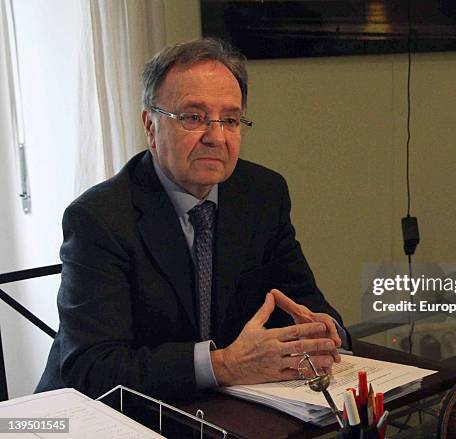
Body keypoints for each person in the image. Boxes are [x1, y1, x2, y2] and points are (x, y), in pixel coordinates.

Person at [36, 37, 349, 399]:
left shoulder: (263, 194)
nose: (215, 137)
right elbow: (92, 367)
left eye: (230, 120)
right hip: (106, 416)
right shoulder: (99, 218)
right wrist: (223, 364)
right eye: (194, 117)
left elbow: (301, 300)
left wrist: (326, 330)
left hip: (221, 407)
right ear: (151, 127)